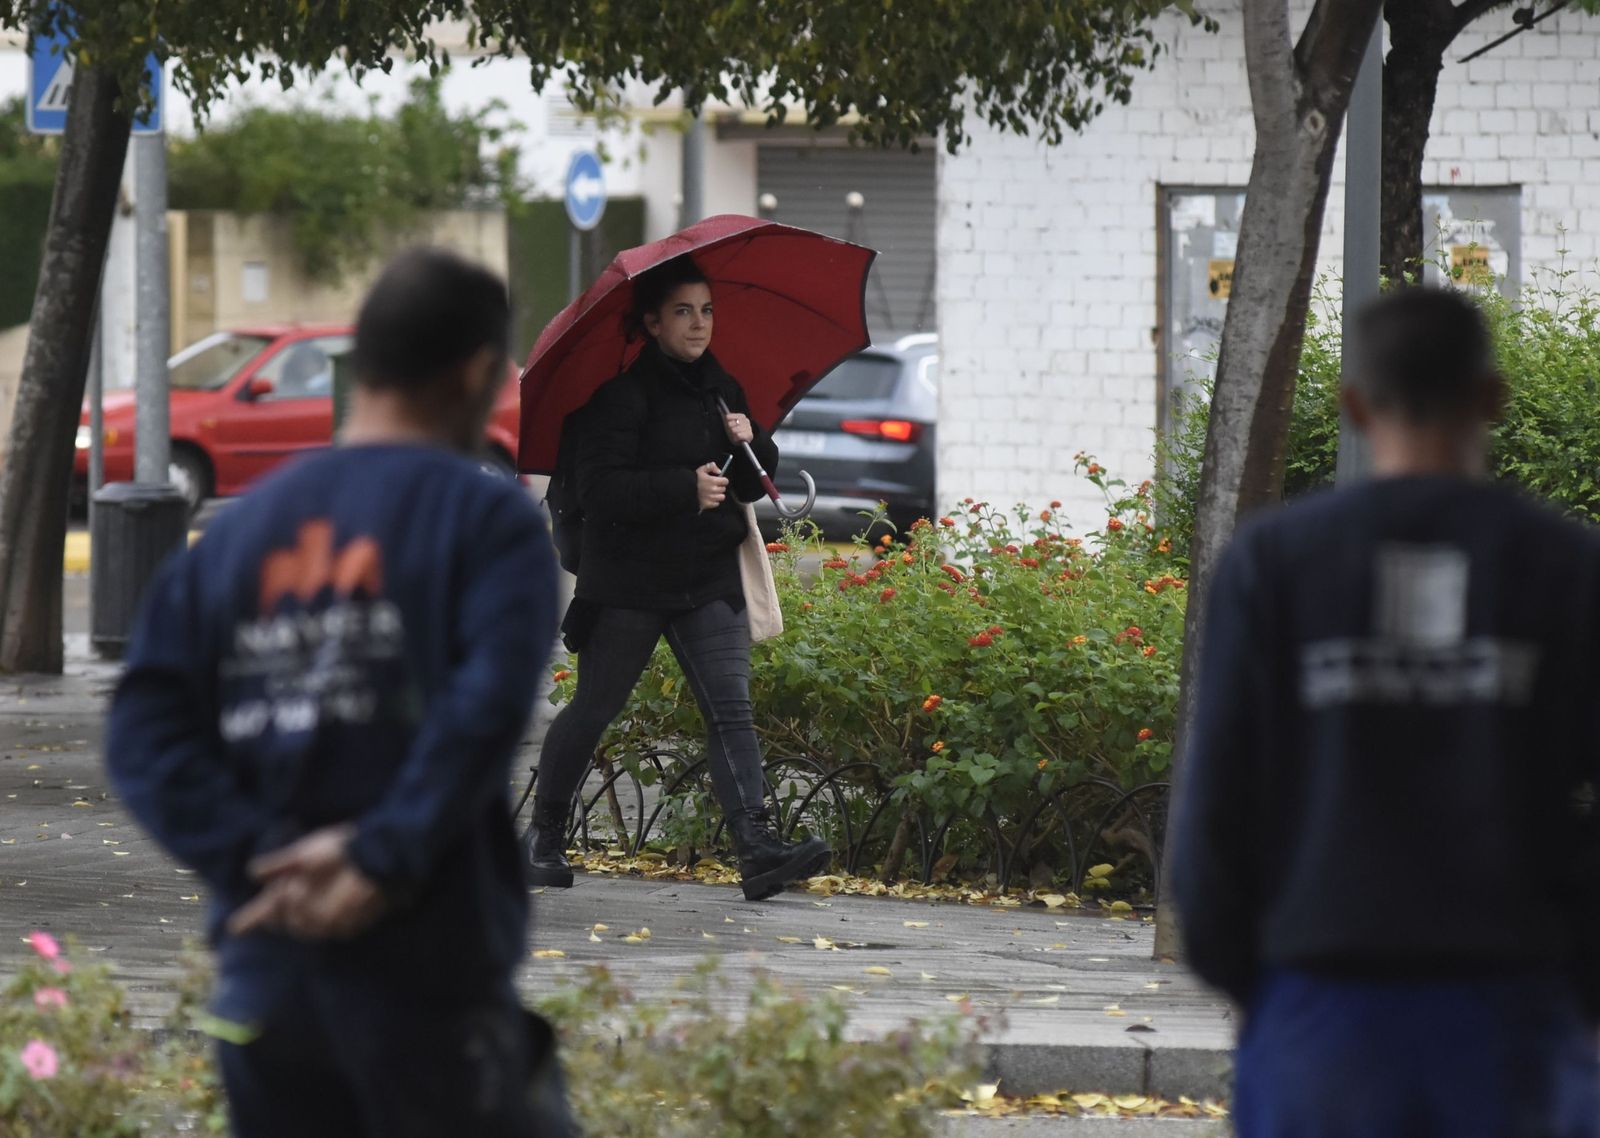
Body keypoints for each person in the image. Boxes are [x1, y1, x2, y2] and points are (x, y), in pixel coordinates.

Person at [106, 248, 564, 1138]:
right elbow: (483, 712)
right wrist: (377, 862)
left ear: (367, 360)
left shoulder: (242, 533)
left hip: (266, 987)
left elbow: (142, 731)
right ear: (475, 372)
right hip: (432, 990)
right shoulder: (489, 522)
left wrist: (261, 858)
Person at [1171, 287, 1600, 1138]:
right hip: (1517, 1008)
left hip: (1320, 1005)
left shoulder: (1274, 564)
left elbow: (1214, 806)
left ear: (1355, 404)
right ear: (1492, 398)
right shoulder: (1565, 566)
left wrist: (1255, 983)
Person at [525, 254, 829, 901]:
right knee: (595, 709)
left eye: (707, 310)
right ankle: (543, 837)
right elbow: (600, 491)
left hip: (706, 580)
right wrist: (681, 488)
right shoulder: (620, 400)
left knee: (731, 710)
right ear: (653, 323)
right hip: (629, 585)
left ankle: (758, 849)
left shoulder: (724, 394)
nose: (699, 324)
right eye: (684, 312)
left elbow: (749, 481)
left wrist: (754, 442)